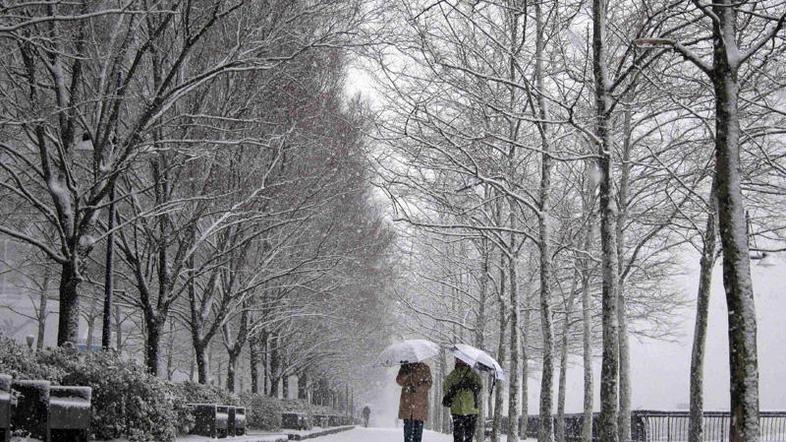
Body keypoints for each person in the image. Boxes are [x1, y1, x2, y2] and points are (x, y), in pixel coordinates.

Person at [443, 358, 482, 442]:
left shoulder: (472, 374)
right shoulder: (453, 375)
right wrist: (454, 388)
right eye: (458, 359)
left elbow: (479, 387)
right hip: (457, 410)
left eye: (461, 359)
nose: (460, 361)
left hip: (471, 410)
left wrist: (470, 384)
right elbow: (445, 388)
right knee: (458, 437)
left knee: (468, 437)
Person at [396, 362, 433, 442]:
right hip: (407, 405)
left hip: (420, 406)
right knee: (407, 434)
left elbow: (429, 384)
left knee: (418, 435)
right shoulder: (405, 367)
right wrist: (406, 373)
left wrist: (418, 387)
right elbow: (399, 381)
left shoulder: (425, 368)